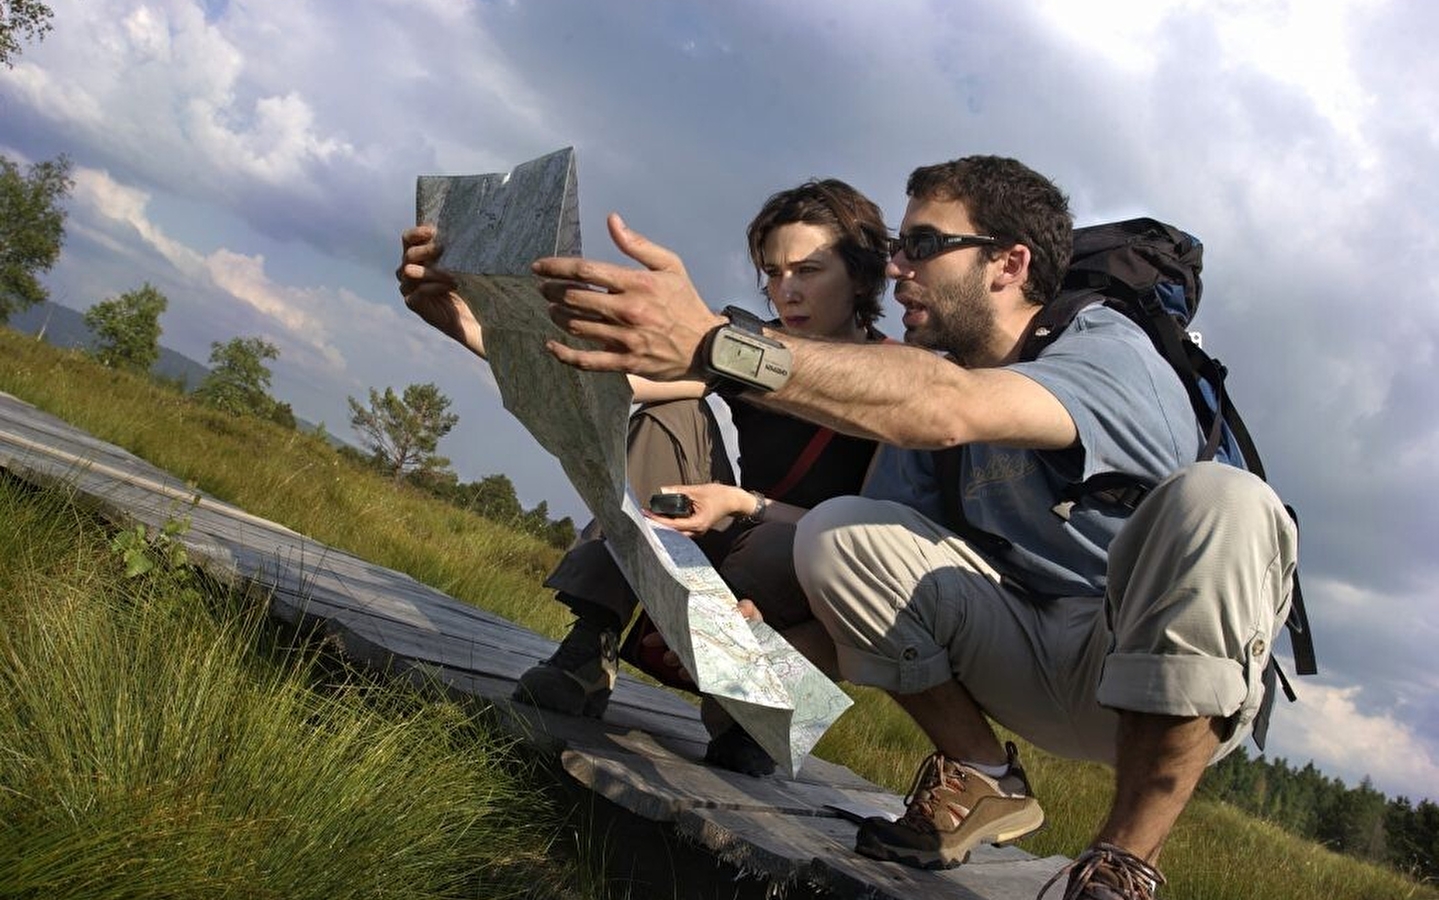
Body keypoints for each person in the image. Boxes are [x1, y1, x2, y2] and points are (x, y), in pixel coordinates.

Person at [531, 155, 1297, 900]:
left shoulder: (1105, 353)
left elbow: (943, 407)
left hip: (1146, 666)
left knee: (1223, 501)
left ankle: (1122, 862)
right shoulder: (924, 381)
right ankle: (981, 774)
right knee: (840, 531)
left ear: (1008, 263)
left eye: (922, 246)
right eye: (897, 247)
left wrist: (714, 343)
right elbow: (863, 563)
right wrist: (745, 661)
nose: (898, 267)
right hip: (1018, 650)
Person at [397, 178, 891, 776]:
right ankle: (590, 645)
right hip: (724, 541)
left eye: (807, 270)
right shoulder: (748, 347)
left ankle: (755, 707)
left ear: (862, 276)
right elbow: (621, 385)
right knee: (672, 412)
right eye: (772, 273)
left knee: (793, 553)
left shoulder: (898, 386)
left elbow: (878, 543)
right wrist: (465, 323)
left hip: (810, 577)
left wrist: (742, 501)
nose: (786, 291)